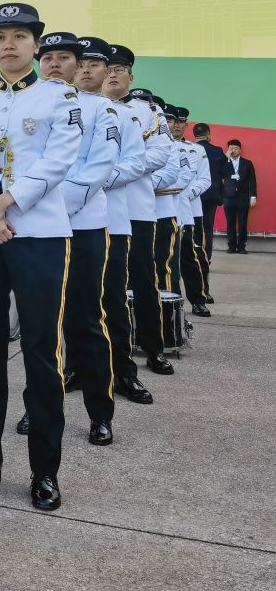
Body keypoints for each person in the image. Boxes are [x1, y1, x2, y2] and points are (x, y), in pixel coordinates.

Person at [0, 3, 81, 512]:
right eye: (0, 36)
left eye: (19, 36)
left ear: (36, 44)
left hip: (39, 234)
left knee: (42, 352)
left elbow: (60, 158)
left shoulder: (60, 96)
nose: (9, 44)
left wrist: (7, 202)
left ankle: (44, 471)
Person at [32, 33, 118, 446]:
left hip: (81, 226)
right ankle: (40, 409)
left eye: (63, 57)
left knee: (85, 320)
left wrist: (46, 207)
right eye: (46, 57)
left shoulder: (102, 110)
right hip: (36, 230)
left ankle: (100, 413)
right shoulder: (25, 104)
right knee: (42, 327)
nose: (54, 64)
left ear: (78, 65)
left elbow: (98, 168)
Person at [76, 37, 153, 406]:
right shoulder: (54, 108)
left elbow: (137, 162)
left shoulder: (124, 114)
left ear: (108, 71)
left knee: (111, 302)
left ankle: (122, 372)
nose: (87, 70)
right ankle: (71, 368)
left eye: (95, 64)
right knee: (61, 305)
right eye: (83, 63)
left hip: (110, 221)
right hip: (59, 222)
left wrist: (94, 179)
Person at [103, 55, 175, 376]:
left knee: (145, 280)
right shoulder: (87, 107)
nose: (113, 75)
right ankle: (101, 351)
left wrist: (117, 171)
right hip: (97, 211)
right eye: (109, 70)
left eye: (119, 70)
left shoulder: (150, 111)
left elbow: (160, 154)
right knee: (102, 285)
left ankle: (154, 347)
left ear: (130, 77)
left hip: (137, 211)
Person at [167, 106, 211, 317]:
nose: (176, 125)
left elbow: (205, 179)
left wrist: (185, 194)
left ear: (185, 125)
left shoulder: (196, 150)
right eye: (172, 121)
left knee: (190, 258)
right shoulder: (159, 145)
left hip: (188, 211)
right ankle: (170, 302)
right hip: (162, 210)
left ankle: (198, 299)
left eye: (179, 121)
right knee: (166, 260)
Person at [150, 96, 191, 292]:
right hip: (135, 214)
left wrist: (140, 185)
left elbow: (180, 179)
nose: (164, 122)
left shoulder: (176, 147)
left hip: (165, 212)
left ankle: (170, 318)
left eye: (169, 119)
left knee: (166, 270)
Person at [191, 122, 225, 264]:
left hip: (193, 194)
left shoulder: (189, 148)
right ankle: (206, 257)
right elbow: (224, 173)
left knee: (192, 225)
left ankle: (193, 255)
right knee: (207, 227)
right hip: (211, 195)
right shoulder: (218, 151)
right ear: (208, 135)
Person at [222, 140, 257, 254]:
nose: (234, 150)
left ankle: (242, 246)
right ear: (228, 149)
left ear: (240, 150)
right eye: (231, 148)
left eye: (236, 148)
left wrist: (253, 196)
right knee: (230, 223)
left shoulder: (247, 163)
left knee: (243, 222)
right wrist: (226, 158)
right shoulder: (224, 162)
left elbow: (252, 180)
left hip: (242, 197)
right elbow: (220, 174)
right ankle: (231, 246)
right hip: (228, 197)